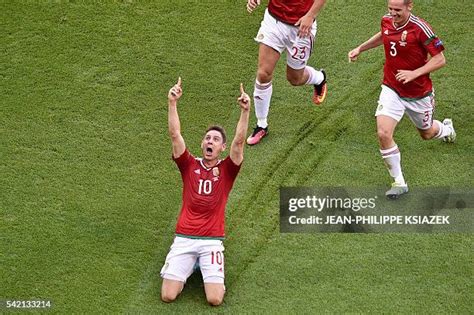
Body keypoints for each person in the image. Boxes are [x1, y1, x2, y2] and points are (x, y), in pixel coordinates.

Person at [348, 0, 456, 199]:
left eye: (397, 10)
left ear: (409, 6)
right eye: (390, 9)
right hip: (392, 88)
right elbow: (384, 36)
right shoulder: (387, 20)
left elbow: (440, 59)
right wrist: (360, 48)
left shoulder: (420, 28)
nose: (392, 13)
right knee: (383, 133)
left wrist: (414, 73)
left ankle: (447, 129)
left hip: (418, 94)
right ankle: (399, 182)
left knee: (427, 132)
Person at [160, 78, 250, 306]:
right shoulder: (189, 164)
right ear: (202, 144)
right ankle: (191, 264)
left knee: (215, 299)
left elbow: (239, 143)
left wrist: (245, 111)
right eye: (208, 138)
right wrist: (172, 103)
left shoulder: (227, 169)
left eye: (216, 140)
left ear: (221, 148)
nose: (211, 141)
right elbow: (175, 135)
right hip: (184, 238)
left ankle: (203, 265)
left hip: (211, 241)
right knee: (168, 295)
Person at [246, 0, 328, 145]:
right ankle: (261, 124)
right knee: (263, 73)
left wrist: (310, 15)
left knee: (295, 78)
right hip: (273, 21)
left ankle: (319, 78)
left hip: (302, 27)